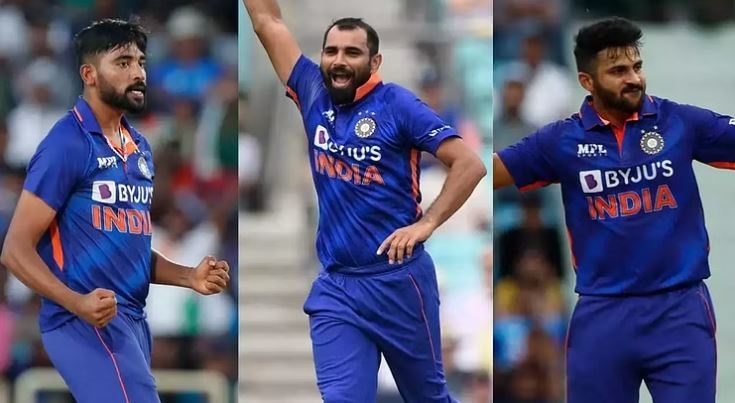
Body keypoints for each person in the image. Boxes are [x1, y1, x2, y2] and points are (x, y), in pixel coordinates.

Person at [244, 1, 487, 401]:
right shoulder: (311, 89)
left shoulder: (398, 105)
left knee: (428, 397)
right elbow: (267, 21)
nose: (339, 61)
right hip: (337, 285)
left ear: (374, 61)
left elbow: (469, 163)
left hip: (399, 281)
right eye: (331, 51)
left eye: (352, 53)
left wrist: (426, 223)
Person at [493, 17, 725, 403]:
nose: (633, 78)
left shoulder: (680, 122)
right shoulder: (562, 141)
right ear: (587, 81)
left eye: (636, 67)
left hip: (679, 311)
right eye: (618, 71)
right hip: (603, 315)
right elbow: (487, 171)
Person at [0, 19, 230, 403]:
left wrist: (188, 276)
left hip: (132, 321)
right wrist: (76, 302)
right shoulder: (67, 144)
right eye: (122, 63)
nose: (137, 72)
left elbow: (130, 247)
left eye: (140, 62)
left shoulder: (138, 147)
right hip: (83, 321)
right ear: (89, 74)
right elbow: (15, 250)